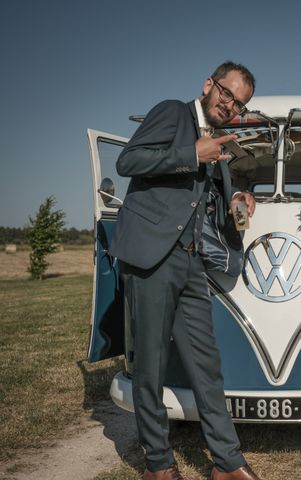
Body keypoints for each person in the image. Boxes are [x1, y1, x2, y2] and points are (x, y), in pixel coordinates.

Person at [110, 61, 261, 480]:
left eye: (239, 104)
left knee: (206, 364)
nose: (230, 105)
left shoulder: (220, 145)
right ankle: (158, 464)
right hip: (152, 257)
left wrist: (239, 200)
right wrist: (192, 154)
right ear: (208, 85)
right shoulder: (173, 112)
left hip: (193, 262)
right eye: (226, 94)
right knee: (151, 366)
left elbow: (208, 203)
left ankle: (227, 463)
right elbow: (129, 161)